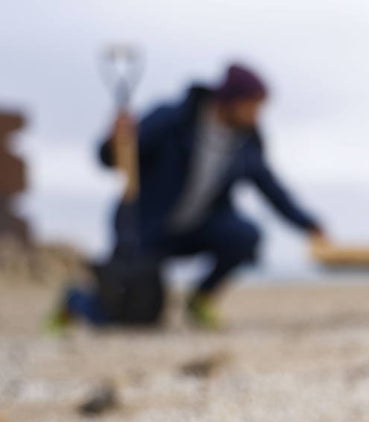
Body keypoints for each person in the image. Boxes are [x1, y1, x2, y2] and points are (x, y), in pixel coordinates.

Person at [58, 63, 327, 329]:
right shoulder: (172, 118)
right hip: (143, 228)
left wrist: (307, 224)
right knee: (133, 318)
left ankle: (200, 298)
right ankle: (74, 301)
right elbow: (110, 160)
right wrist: (114, 140)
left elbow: (271, 189)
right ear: (231, 100)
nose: (257, 115)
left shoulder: (247, 141)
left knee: (246, 235)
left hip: (199, 227)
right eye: (252, 106)